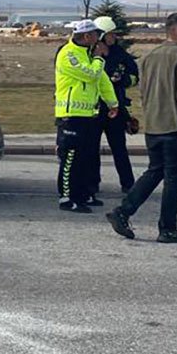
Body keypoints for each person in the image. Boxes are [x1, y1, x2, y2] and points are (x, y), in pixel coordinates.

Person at [106, 13, 177, 244]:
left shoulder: (150, 56)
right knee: (174, 181)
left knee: (155, 172)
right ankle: (167, 228)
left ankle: (123, 211)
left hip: (154, 127)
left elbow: (144, 91)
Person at [54, 19, 119, 214]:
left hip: (87, 114)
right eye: (95, 34)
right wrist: (99, 58)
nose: (98, 38)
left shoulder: (87, 55)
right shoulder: (68, 54)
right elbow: (90, 75)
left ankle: (82, 194)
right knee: (70, 157)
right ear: (86, 36)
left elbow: (102, 80)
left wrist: (112, 102)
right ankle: (66, 197)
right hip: (70, 114)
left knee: (85, 157)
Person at [93, 15, 140, 194]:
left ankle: (128, 184)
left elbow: (135, 76)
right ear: (102, 35)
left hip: (116, 108)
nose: (114, 37)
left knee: (119, 148)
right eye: (111, 34)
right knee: (92, 149)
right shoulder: (91, 55)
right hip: (95, 108)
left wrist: (123, 80)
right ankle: (92, 184)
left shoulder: (120, 54)